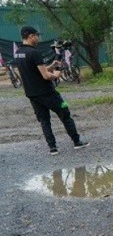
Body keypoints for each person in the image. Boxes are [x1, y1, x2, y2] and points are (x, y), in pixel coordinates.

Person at [14, 25, 88, 155]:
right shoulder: (34, 52)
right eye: (37, 35)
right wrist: (57, 73)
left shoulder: (19, 53)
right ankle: (77, 142)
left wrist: (51, 66)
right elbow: (46, 76)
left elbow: (35, 70)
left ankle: (53, 148)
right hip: (47, 92)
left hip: (32, 94)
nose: (38, 38)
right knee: (65, 114)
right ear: (31, 36)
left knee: (44, 121)